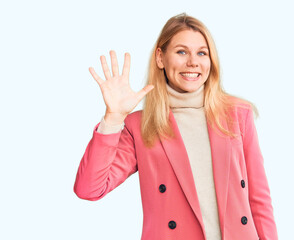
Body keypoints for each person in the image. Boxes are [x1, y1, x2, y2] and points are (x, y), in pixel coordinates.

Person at [73, 13, 278, 240]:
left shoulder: (237, 115)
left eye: (202, 53)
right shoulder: (140, 125)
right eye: (181, 52)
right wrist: (113, 117)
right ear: (160, 58)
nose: (193, 62)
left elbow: (259, 200)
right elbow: (89, 189)